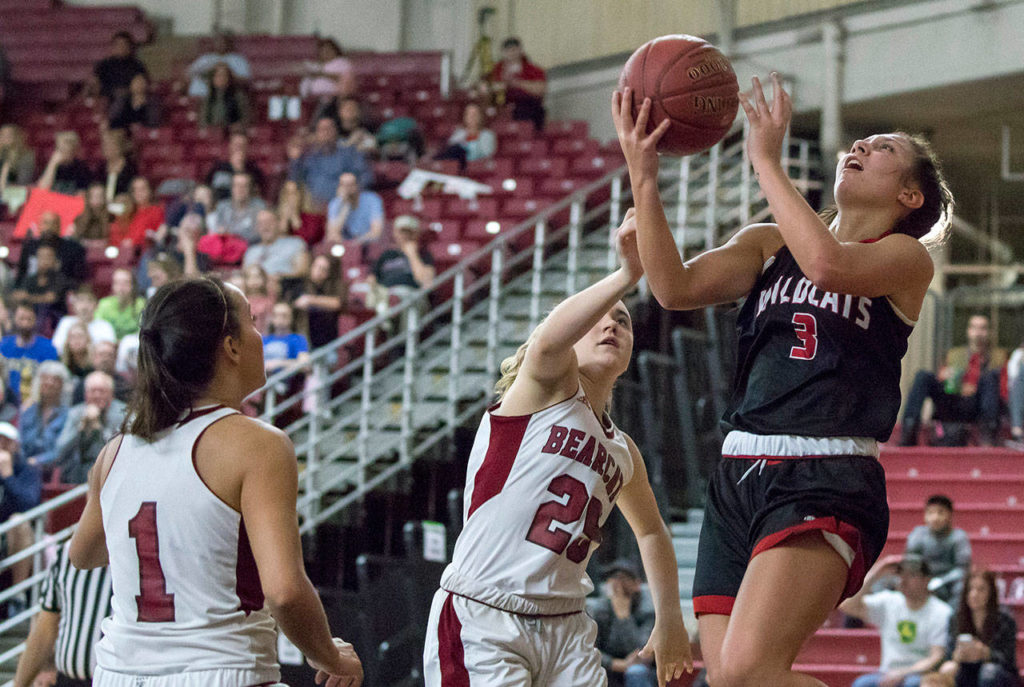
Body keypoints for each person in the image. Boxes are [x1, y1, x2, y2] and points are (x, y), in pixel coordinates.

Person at [613, 71, 953, 687]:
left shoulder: (905, 257)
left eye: (883, 149)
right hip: (739, 470)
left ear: (909, 196)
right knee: (730, 680)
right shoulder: (769, 244)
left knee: (745, 671)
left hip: (826, 473)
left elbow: (828, 265)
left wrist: (765, 159)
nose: (861, 147)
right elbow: (674, 287)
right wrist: (643, 172)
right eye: (861, 142)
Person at [422, 208, 690, 686]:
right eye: (599, 318)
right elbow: (548, 343)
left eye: (624, 321)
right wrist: (627, 275)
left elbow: (651, 534)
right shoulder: (541, 392)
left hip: (567, 626)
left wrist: (669, 619)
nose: (612, 325)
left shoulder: (622, 450)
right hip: (486, 611)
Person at [68, 276, 363, 686]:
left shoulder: (114, 451)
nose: (259, 335)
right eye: (253, 322)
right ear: (231, 347)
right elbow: (284, 592)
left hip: (117, 673)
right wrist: (331, 656)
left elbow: (83, 556)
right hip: (220, 670)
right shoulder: (259, 444)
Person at [841, 555, 953, 687]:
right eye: (901, 575)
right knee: (861, 684)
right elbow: (847, 606)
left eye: (911, 575)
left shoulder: (941, 611)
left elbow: (936, 656)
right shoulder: (889, 602)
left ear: (926, 580)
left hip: (920, 674)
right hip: (886, 673)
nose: (903, 580)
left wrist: (903, 673)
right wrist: (877, 572)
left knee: (912, 685)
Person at [13, 542, 113, 687]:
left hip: (115, 679)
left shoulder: (134, 552)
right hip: (67, 680)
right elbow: (44, 630)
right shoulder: (64, 554)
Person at [899, 314, 1007, 446]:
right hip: (953, 400)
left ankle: (988, 433)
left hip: (978, 405)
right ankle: (910, 427)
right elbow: (945, 381)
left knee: (990, 379)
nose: (978, 333)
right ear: (968, 331)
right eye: (974, 328)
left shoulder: (998, 356)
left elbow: (1002, 387)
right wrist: (943, 377)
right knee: (923, 376)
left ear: (989, 332)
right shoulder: (955, 354)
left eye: (983, 328)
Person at [937, 570, 1019, 687]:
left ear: (991, 593)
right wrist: (957, 656)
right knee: (947, 670)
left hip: (999, 673)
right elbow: (949, 654)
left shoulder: (1005, 619)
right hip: (966, 668)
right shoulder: (956, 617)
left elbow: (1009, 660)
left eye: (981, 589)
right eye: (970, 589)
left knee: (989, 671)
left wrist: (985, 653)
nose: (974, 594)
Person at [590, 558, 658, 687]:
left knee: (636, 672)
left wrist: (623, 616)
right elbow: (590, 649)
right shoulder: (600, 609)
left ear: (637, 584)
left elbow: (642, 652)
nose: (616, 584)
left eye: (622, 578)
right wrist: (615, 664)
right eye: (612, 578)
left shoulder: (647, 610)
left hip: (639, 671)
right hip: (608, 667)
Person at [54, 370, 126, 485]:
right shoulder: (75, 413)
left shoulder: (123, 413)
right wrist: (81, 426)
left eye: (102, 391)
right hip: (78, 474)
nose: (97, 395)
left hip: (113, 474)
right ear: (85, 394)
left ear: (111, 394)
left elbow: (118, 452)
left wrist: (97, 426)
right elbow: (60, 451)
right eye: (93, 391)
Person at [288, 115, 372, 208]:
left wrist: (352, 196)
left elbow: (366, 177)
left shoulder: (350, 153)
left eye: (329, 128)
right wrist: (295, 160)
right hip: (314, 209)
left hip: (345, 207)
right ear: (316, 134)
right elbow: (294, 181)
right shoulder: (309, 157)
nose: (326, 133)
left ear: (336, 131)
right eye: (322, 130)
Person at [0, 422, 42, 603]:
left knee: (19, 520)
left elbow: (29, 505)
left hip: (15, 537)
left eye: (5, 442)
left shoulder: (27, 470)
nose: (1, 446)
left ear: (15, 445)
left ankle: (17, 594)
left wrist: (8, 476)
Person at [906, 495, 972, 603]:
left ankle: (952, 618)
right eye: (930, 513)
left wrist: (941, 581)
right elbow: (910, 563)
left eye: (940, 512)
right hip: (921, 580)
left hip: (949, 584)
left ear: (950, 515)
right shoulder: (917, 535)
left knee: (962, 587)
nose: (935, 518)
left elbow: (962, 569)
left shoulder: (959, 537)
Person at [0, 301, 59, 404]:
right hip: (7, 402)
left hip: (38, 402)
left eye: (29, 319)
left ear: (35, 320)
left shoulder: (48, 348)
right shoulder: (3, 346)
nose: (25, 323)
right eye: (21, 318)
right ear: (14, 319)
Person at [19, 360, 71, 473]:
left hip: (56, 470)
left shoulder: (68, 414)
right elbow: (19, 443)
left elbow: (61, 450)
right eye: (45, 378)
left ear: (63, 385)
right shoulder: (28, 411)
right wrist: (23, 462)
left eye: (55, 379)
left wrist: (37, 461)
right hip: (26, 469)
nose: (49, 383)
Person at [485, 37, 547, 131]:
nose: (511, 53)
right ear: (503, 52)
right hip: (501, 105)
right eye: (508, 50)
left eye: (514, 49)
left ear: (520, 50)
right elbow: (485, 87)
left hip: (527, 106)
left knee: (530, 110)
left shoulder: (533, 70)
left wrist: (517, 83)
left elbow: (541, 89)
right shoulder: (496, 70)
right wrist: (497, 86)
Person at [10, 239, 71, 330]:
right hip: (30, 315)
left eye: (48, 257)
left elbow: (50, 298)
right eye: (41, 257)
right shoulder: (30, 278)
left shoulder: (60, 278)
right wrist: (38, 298)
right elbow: (17, 296)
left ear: (55, 261)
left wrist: (27, 297)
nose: (44, 260)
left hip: (54, 319)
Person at [16, 210, 88, 287]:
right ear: (39, 225)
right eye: (45, 223)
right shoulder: (29, 247)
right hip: (30, 290)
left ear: (59, 226)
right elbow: (21, 273)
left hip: (62, 291)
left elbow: (78, 279)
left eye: (54, 223)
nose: (49, 227)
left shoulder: (73, 249)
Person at [293, 254, 347, 349]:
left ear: (329, 273)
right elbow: (295, 304)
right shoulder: (300, 285)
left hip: (327, 339)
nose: (318, 271)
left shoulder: (334, 286)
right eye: (316, 266)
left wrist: (310, 300)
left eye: (323, 269)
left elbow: (337, 303)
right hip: (304, 336)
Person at [242, 210, 310, 281]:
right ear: (256, 228)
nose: (265, 226)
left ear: (279, 223)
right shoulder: (251, 251)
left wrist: (278, 278)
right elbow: (244, 277)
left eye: (269, 222)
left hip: (286, 287)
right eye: (261, 223)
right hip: (255, 289)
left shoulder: (295, 244)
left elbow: (302, 272)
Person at [186, 31, 251, 98]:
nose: (220, 44)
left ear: (229, 43)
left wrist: (228, 73)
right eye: (218, 41)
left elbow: (245, 81)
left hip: (226, 97)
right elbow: (188, 74)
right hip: (198, 96)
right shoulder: (205, 58)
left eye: (223, 41)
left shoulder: (238, 60)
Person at [205, 132, 266, 203]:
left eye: (242, 145)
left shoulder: (254, 170)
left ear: (247, 148)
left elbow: (259, 195)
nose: (239, 148)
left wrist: (240, 168)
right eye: (236, 145)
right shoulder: (218, 168)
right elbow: (207, 189)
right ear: (230, 146)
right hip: (219, 209)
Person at [52, 287, 118, 353]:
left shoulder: (104, 326)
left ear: (96, 305)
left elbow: (109, 352)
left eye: (89, 301)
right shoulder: (66, 322)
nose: (84, 306)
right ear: (74, 304)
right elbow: (57, 348)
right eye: (81, 300)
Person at [325, 172, 384, 244]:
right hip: (344, 244)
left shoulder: (372, 199)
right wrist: (345, 206)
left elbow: (376, 232)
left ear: (358, 185)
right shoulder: (334, 203)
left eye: (350, 185)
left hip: (367, 243)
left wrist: (355, 243)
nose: (347, 189)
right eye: (343, 185)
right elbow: (332, 234)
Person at [89, 31, 148, 102]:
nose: (121, 47)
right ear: (113, 47)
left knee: (151, 102)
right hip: (110, 98)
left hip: (132, 97)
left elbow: (142, 83)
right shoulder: (104, 65)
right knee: (120, 100)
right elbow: (96, 85)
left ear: (130, 47)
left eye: (125, 44)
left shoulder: (137, 65)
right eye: (118, 45)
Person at [437, 102, 496, 169]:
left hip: (479, 168)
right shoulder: (458, 134)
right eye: (469, 114)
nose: (472, 117)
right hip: (459, 168)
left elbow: (487, 155)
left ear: (480, 117)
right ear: (465, 117)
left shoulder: (488, 135)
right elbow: (450, 151)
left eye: (475, 114)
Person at [211, 171, 266, 244]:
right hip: (228, 249)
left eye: (244, 186)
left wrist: (232, 236)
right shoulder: (222, 207)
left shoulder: (259, 207)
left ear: (250, 189)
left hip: (251, 248)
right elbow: (219, 231)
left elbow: (259, 234)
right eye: (237, 185)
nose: (240, 189)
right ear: (231, 188)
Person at [95, 268, 146, 340]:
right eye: (117, 283)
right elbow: (98, 328)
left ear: (133, 286)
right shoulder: (104, 304)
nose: (121, 288)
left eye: (126, 283)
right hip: (108, 344)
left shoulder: (141, 304)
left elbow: (142, 332)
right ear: (112, 286)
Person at [36, 131, 92, 196]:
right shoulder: (51, 167)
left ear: (74, 150)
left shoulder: (82, 168)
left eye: (68, 149)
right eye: (61, 149)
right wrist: (52, 164)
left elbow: (81, 196)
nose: (65, 153)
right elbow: (41, 190)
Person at [263, 301, 311, 374]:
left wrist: (279, 363)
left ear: (291, 318)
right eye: (276, 315)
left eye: (284, 315)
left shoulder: (297, 339)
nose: (280, 319)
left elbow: (305, 365)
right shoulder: (263, 340)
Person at [200, 63, 251, 129]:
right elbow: (203, 120)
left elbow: (246, 118)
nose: (221, 78)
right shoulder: (208, 98)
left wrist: (238, 126)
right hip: (212, 133)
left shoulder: (238, 96)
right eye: (218, 75)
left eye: (224, 75)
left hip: (233, 133)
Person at [276, 180, 325, 246]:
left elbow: (307, 242)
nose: (290, 198)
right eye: (287, 193)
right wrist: (284, 220)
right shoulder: (276, 217)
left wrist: (294, 218)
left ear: (301, 196)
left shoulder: (313, 217)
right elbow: (272, 243)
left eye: (293, 193)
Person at [94, 129, 138, 201]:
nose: (106, 149)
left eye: (110, 146)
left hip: (124, 204)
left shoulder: (130, 167)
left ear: (119, 147)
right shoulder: (101, 167)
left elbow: (133, 188)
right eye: (105, 146)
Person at [0, 124, 36, 189]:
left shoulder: (26, 155)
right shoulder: (2, 152)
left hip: (13, 193)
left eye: (8, 135)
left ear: (16, 137)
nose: (3, 138)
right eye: (1, 135)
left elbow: (23, 183)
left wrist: (7, 166)